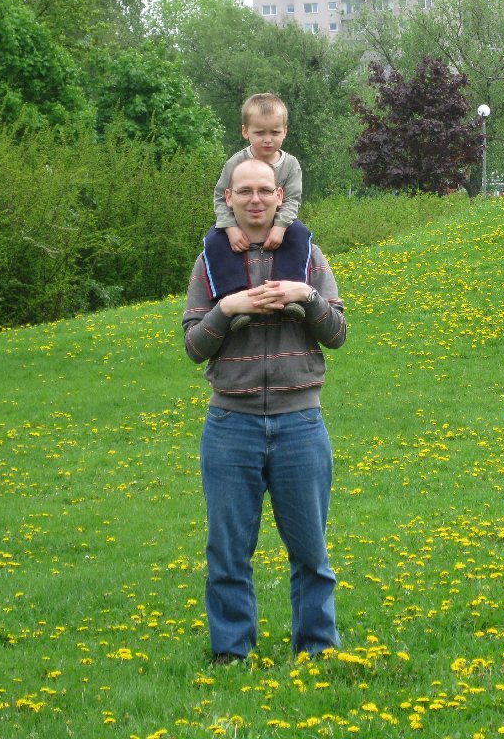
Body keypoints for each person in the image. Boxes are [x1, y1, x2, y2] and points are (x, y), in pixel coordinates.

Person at [182, 157, 347, 664]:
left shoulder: (308, 256)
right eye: (244, 191)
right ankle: (232, 653)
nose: (255, 200)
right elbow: (194, 347)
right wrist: (227, 310)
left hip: (301, 422)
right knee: (228, 552)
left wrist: (306, 296)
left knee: (311, 551)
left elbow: (338, 334)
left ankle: (317, 650)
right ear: (228, 199)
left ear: (280, 196)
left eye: (263, 191)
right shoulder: (210, 262)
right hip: (231, 423)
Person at [203, 93, 311, 331]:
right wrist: (230, 228)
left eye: (275, 132)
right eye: (260, 133)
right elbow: (221, 197)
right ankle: (233, 300)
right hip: (240, 223)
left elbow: (292, 199)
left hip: (280, 221)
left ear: (285, 131)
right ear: (246, 131)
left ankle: (290, 296)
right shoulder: (235, 163)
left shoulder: (291, 165)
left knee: (300, 234)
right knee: (213, 240)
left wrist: (280, 227)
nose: (268, 140)